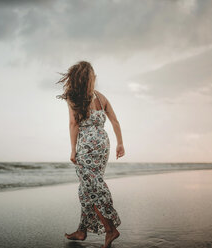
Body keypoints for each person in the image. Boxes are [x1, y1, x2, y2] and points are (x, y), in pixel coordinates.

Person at [56, 60, 125, 248]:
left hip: (86, 146)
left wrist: (72, 149)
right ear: (90, 78)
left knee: (91, 188)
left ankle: (110, 229)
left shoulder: (74, 99)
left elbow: (73, 124)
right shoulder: (101, 98)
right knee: (88, 187)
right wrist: (120, 143)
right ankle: (82, 230)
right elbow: (115, 121)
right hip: (103, 145)